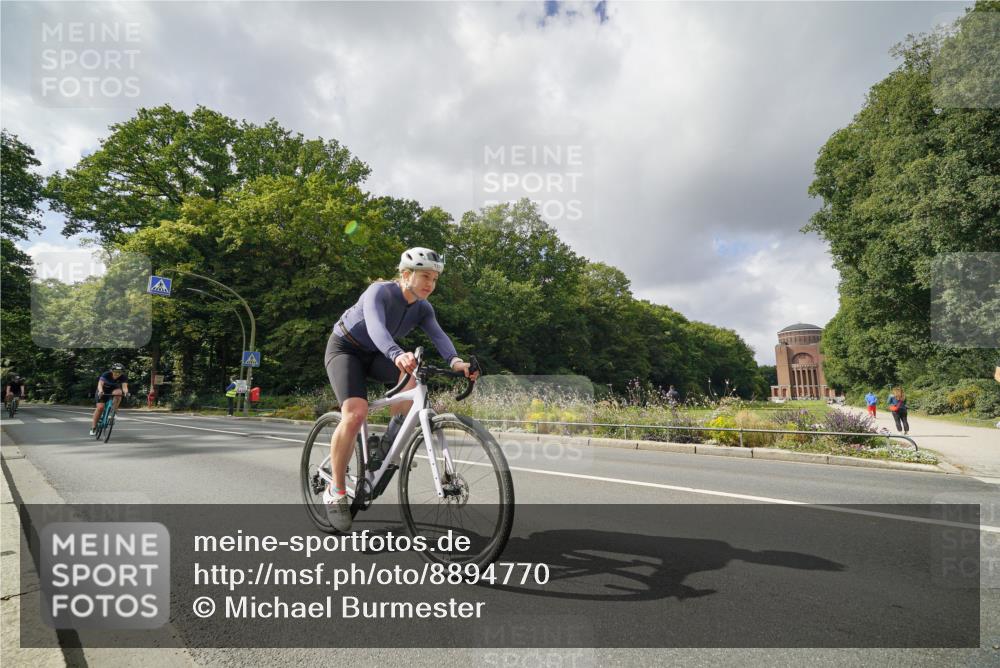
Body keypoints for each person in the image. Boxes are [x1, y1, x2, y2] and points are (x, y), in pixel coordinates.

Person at [323, 247, 478, 532]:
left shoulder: (422, 307)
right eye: (425, 277)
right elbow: (376, 327)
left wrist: (456, 362)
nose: (431, 284)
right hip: (346, 349)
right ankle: (337, 490)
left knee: (412, 381)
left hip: (378, 353)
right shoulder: (379, 292)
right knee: (355, 413)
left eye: (435, 279)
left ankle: (385, 446)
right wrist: (396, 353)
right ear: (406, 275)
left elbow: (438, 335)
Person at [90, 363, 130, 435]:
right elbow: (100, 384)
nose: (117, 374)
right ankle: (93, 427)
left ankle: (113, 412)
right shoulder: (106, 374)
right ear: (112, 371)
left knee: (119, 393)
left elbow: (124, 387)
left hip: (113, 390)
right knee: (100, 408)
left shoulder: (123, 377)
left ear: (122, 372)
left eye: (119, 372)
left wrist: (126, 393)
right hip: (103, 391)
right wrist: (101, 391)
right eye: (115, 371)